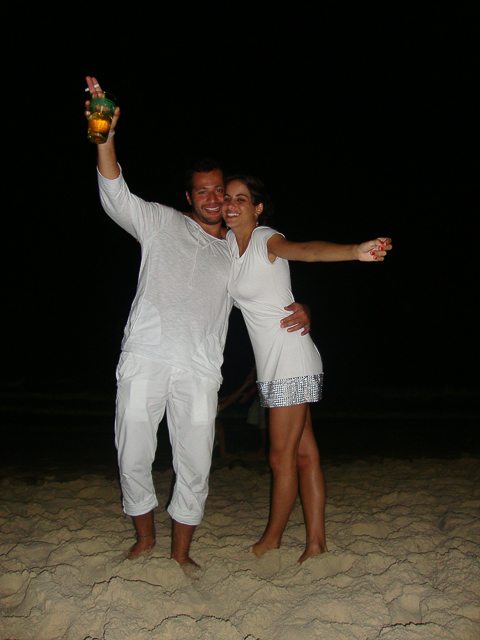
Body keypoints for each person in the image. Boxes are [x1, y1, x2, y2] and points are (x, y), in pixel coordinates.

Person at [83, 77, 311, 568]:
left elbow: (271, 286)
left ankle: (181, 553)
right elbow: (115, 193)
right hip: (145, 355)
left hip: (200, 369)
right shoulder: (161, 223)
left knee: (195, 463)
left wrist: (303, 308)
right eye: (203, 191)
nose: (214, 199)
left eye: (220, 191)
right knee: (133, 452)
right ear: (189, 196)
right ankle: (145, 538)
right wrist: (104, 136)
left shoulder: (237, 249)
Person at [222, 175, 392, 562]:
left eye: (242, 199)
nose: (232, 205)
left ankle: (272, 539)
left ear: (258, 207)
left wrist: (355, 251)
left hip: (291, 361)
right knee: (304, 454)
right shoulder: (229, 244)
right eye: (228, 198)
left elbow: (306, 250)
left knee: (280, 458)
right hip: (273, 363)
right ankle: (316, 543)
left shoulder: (266, 238)